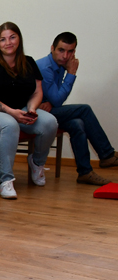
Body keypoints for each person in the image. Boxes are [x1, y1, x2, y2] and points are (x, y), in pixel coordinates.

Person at [0, 22, 58, 200]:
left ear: (19, 39)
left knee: (49, 122)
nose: (8, 42)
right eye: (3, 39)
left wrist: (31, 110)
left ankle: (37, 163)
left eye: (12, 37)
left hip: (18, 110)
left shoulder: (29, 62)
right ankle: (6, 180)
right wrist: (12, 113)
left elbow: (37, 92)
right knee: (9, 124)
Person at [36, 32, 118, 185]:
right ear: (52, 48)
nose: (65, 56)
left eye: (70, 51)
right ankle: (107, 155)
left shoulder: (60, 65)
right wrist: (71, 73)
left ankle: (85, 173)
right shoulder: (44, 67)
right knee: (84, 109)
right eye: (61, 50)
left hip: (48, 110)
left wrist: (51, 102)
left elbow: (55, 99)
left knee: (77, 124)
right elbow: (58, 99)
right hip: (35, 113)